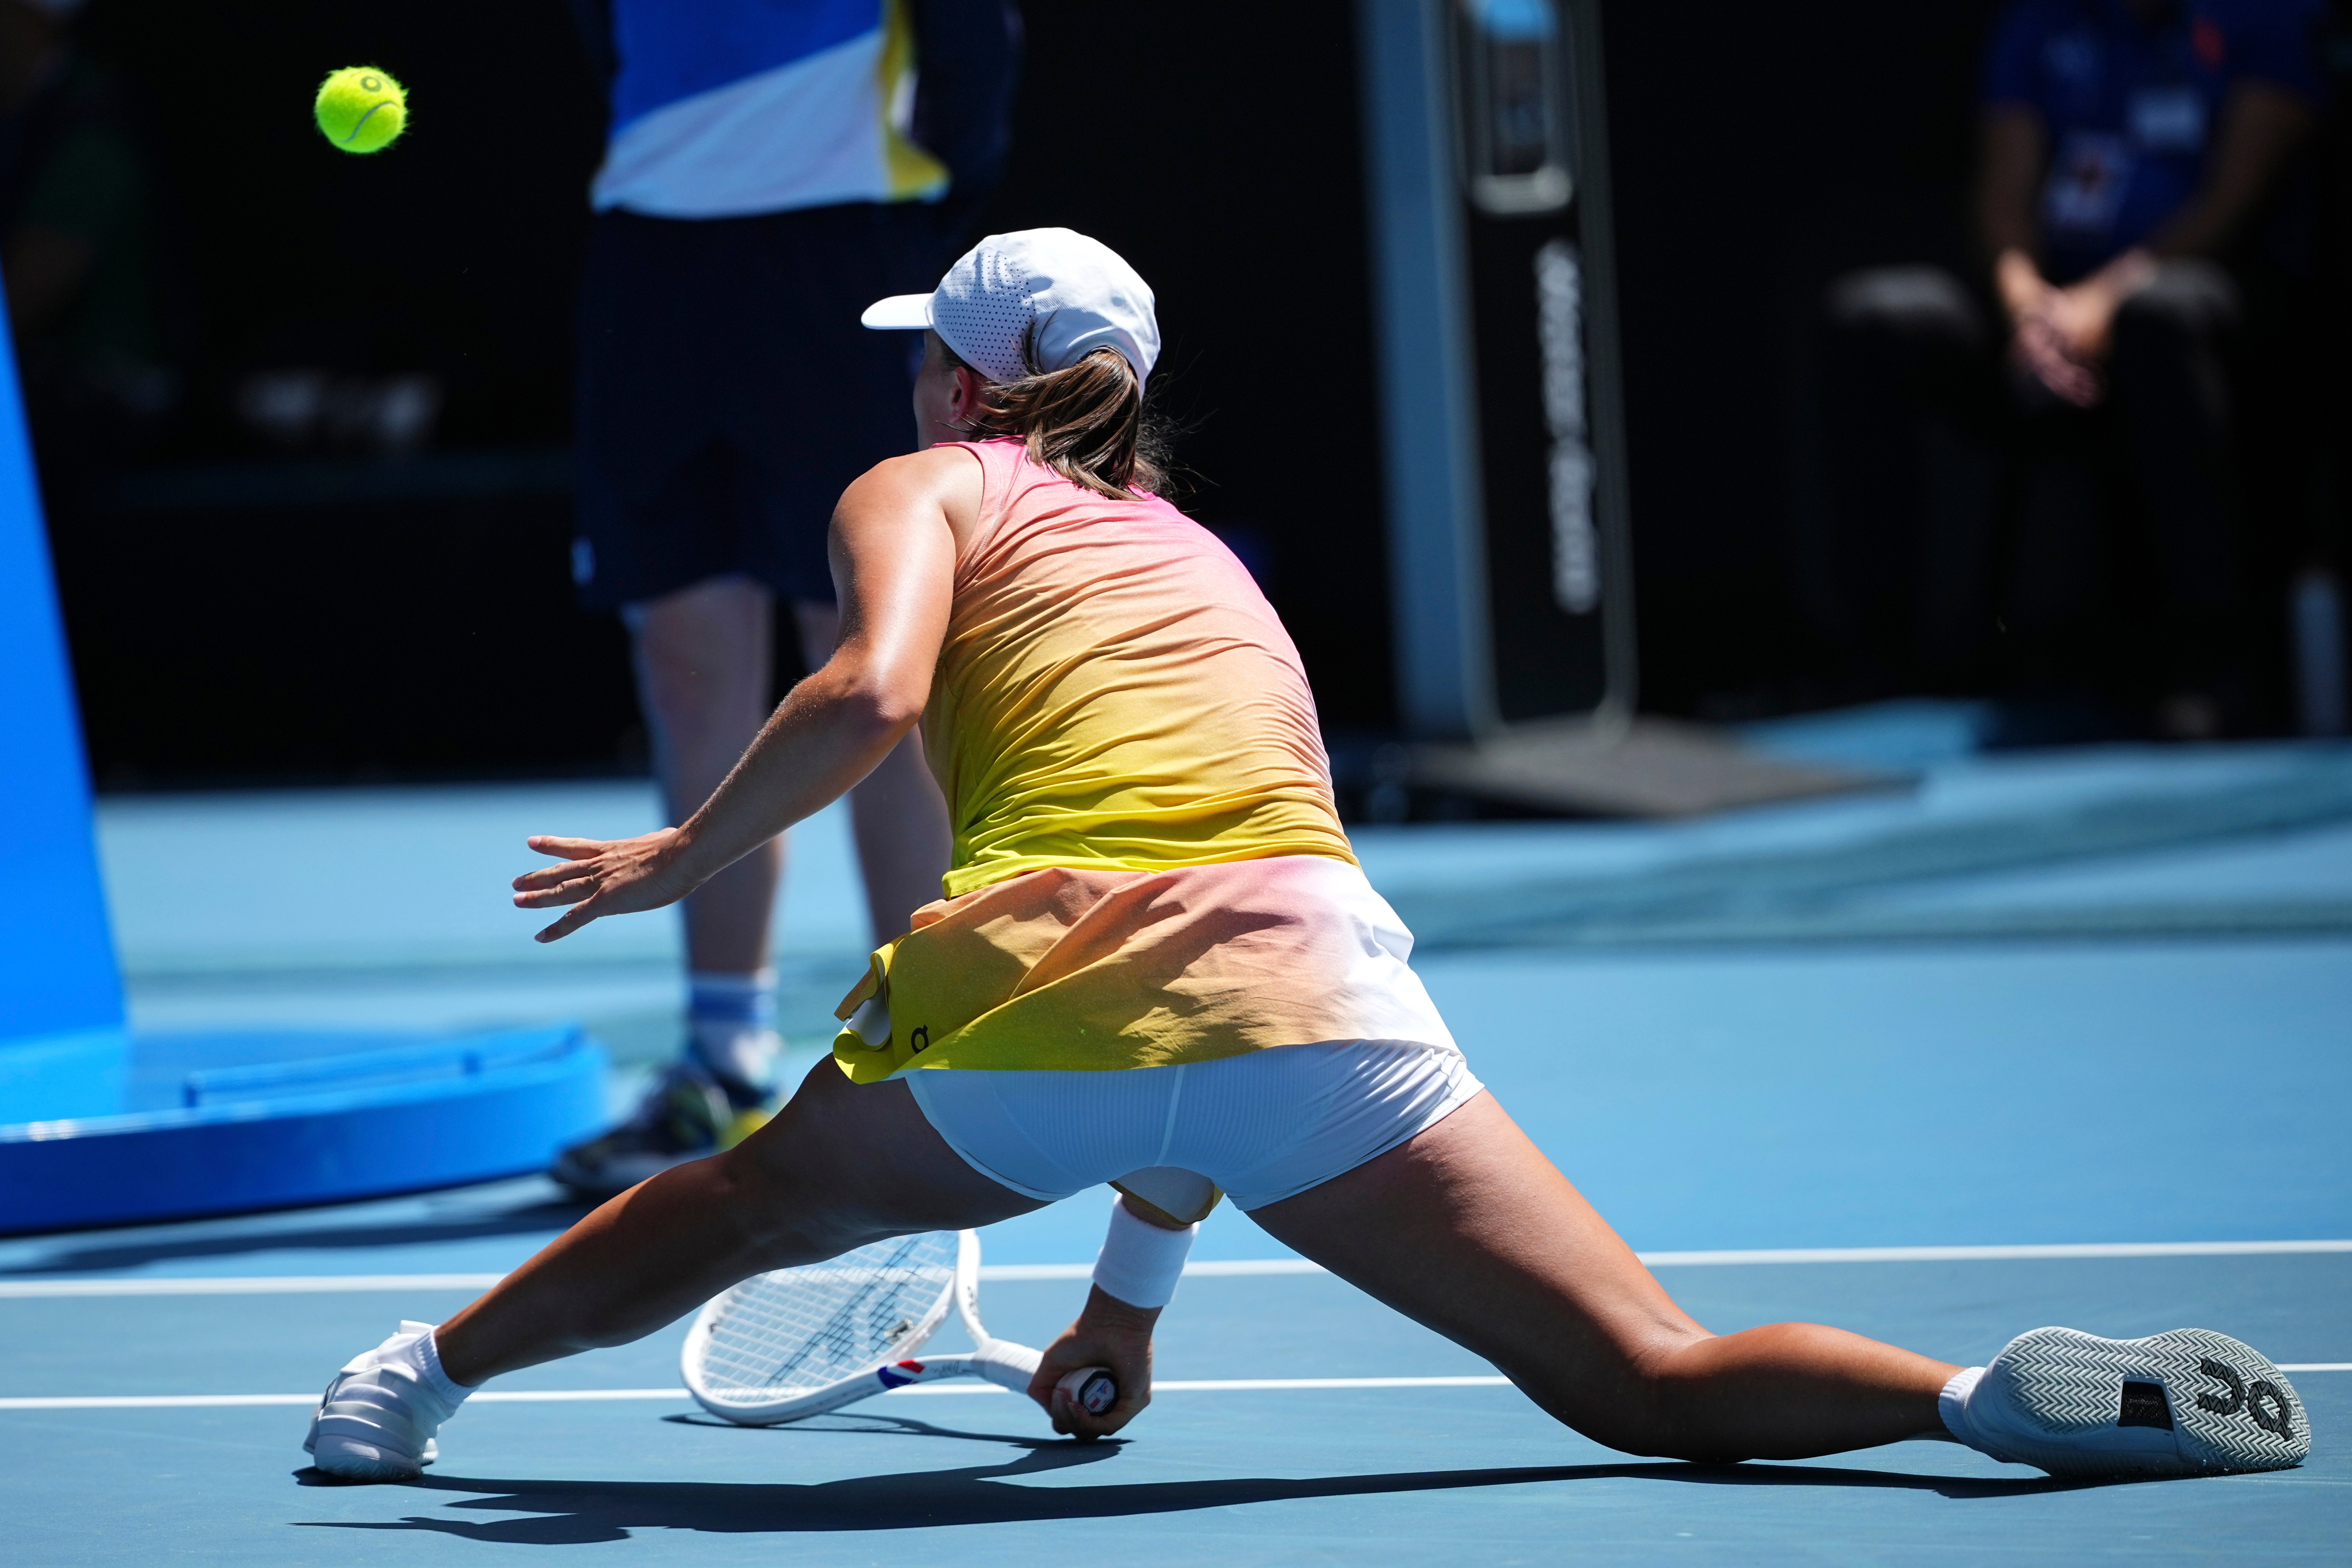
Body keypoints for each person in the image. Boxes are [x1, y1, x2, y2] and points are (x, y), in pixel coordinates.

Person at [305, 230, 2309, 1484]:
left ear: (968, 384)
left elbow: (867, 697)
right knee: (1647, 1372)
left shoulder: (919, 478)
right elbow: (1213, 983)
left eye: (932, 354)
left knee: (736, 1203)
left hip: (1043, 1008)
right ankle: (1972, 1401)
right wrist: (1128, 1311)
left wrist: (686, 853)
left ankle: (409, 1385)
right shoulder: (1208, 564)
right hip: (1324, 1009)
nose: (912, 380)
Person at [552, 0, 1021, 1198]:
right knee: (684, 654)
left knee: (869, 651)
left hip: (842, 251)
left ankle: (931, 1046)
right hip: (652, 256)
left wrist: (920, 215)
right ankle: (722, 1056)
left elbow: (973, 68)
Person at [1811, 0, 2324, 735]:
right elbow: (2002, 190)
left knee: (2160, 317)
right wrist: (2030, 309)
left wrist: (2100, 305)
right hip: (2046, 316)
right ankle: (1880, 662)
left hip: (2206, 307)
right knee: (1872, 319)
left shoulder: (2263, 17)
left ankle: (2212, 667)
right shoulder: (2040, 23)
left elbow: (2231, 201)